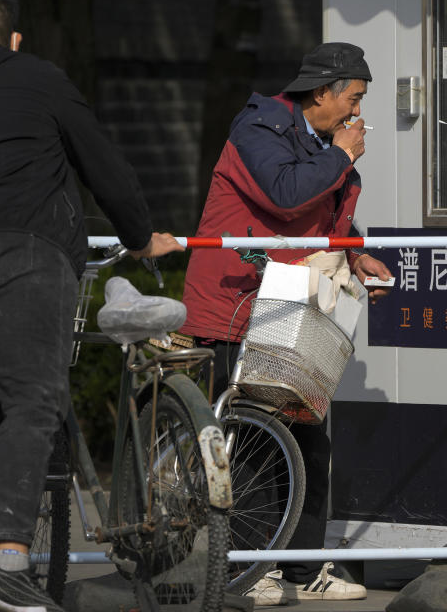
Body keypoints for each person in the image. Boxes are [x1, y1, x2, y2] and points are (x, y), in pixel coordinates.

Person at [0, 0, 182, 612]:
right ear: (14, 38)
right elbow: (101, 162)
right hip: (26, 253)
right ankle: (7, 562)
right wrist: (140, 237)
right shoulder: (38, 78)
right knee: (33, 399)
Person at [180, 41, 392, 603]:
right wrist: (343, 156)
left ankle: (302, 571)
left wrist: (355, 252)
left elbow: (326, 216)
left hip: (291, 310)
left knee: (307, 440)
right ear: (320, 92)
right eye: (352, 97)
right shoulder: (260, 128)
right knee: (253, 441)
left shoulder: (322, 142)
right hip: (236, 305)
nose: (356, 111)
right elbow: (288, 195)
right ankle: (254, 572)